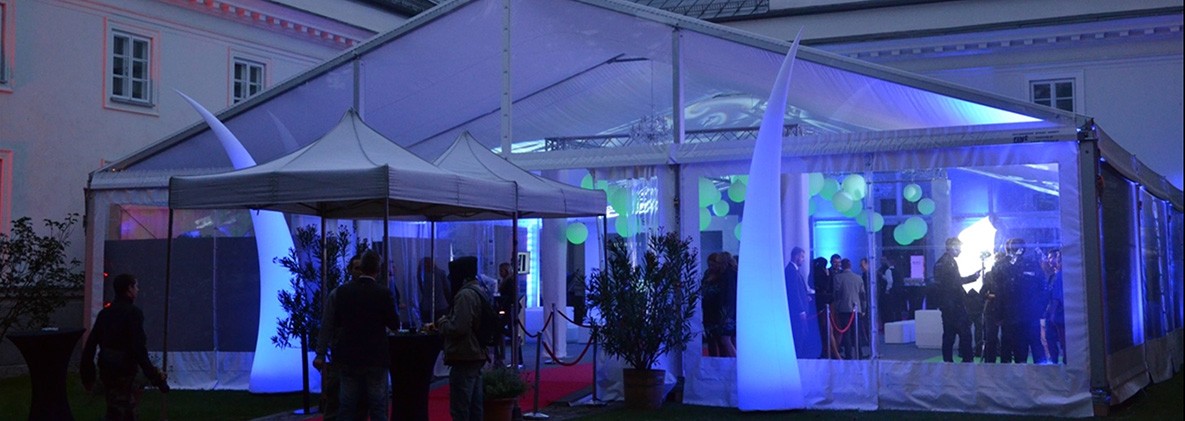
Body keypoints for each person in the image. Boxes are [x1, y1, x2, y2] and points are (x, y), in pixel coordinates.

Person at [314, 250, 401, 421]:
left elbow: (330, 323)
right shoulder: (383, 293)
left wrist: (321, 352)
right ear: (377, 269)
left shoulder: (341, 293)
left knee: (347, 405)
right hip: (375, 357)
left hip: (348, 356)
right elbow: (394, 324)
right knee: (377, 405)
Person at [81, 273, 170, 421]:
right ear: (129, 289)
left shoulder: (105, 314)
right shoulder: (133, 314)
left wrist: (87, 373)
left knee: (115, 407)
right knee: (123, 410)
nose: (138, 290)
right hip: (124, 371)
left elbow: (91, 343)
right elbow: (139, 348)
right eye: (136, 286)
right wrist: (155, 377)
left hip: (107, 369)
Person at [436, 256, 488, 421]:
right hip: (476, 353)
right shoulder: (479, 291)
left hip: (465, 354)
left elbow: (459, 327)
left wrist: (442, 322)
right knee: (475, 407)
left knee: (461, 408)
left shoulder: (465, 295)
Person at [935, 237, 981, 363]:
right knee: (964, 334)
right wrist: (972, 278)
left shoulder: (942, 262)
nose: (960, 250)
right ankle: (967, 360)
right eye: (959, 247)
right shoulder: (948, 263)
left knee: (949, 335)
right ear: (953, 247)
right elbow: (955, 283)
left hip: (948, 305)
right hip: (954, 305)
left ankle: (948, 361)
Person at [784, 247, 820, 359]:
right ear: (796, 256)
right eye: (802, 257)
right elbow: (794, 293)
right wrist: (801, 310)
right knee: (799, 335)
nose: (803, 260)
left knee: (801, 335)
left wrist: (805, 297)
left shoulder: (793, 271)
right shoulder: (791, 271)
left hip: (799, 309)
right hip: (797, 312)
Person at [832, 259, 864, 360]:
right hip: (857, 308)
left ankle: (848, 355)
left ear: (842, 266)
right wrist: (863, 308)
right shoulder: (858, 278)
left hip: (844, 308)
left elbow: (837, 294)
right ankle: (859, 353)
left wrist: (837, 307)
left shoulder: (838, 278)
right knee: (857, 333)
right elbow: (862, 294)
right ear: (850, 265)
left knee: (846, 333)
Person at [811, 257, 839, 359]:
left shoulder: (814, 272)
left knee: (824, 329)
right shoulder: (824, 273)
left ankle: (829, 352)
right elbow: (827, 286)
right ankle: (834, 353)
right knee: (829, 329)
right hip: (825, 303)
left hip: (819, 303)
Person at [1044, 249, 1065, 364]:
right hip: (1052, 313)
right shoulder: (1052, 276)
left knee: (1063, 340)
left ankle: (1064, 361)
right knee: (1050, 339)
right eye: (1049, 258)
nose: (1051, 260)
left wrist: (1052, 313)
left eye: (1054, 257)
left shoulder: (1062, 275)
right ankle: (1054, 362)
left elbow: (1057, 297)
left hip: (1059, 313)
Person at [419, 257, 451, 326]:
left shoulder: (421, 275)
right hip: (441, 306)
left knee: (427, 328)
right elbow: (447, 288)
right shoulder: (441, 273)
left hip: (426, 307)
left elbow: (421, 289)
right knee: (441, 326)